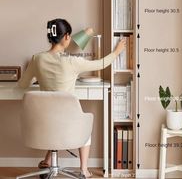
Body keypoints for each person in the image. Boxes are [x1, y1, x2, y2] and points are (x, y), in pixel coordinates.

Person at [18, 18, 126, 178]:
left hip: (42, 123)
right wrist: (117, 51)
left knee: (53, 122)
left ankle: (47, 161)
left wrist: (37, 76)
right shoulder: (73, 61)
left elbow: (22, 85)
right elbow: (101, 63)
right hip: (66, 124)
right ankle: (83, 170)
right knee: (82, 123)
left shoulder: (37, 59)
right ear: (67, 37)